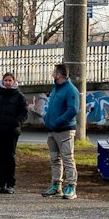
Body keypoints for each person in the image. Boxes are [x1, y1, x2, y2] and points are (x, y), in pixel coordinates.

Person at [0, 71, 28, 194]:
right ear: (2, 81)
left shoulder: (19, 96)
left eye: (10, 80)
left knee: (9, 157)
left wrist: (16, 122)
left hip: (11, 131)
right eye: (6, 80)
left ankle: (10, 183)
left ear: (14, 81)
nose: (8, 82)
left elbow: (24, 113)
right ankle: (1, 183)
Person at [42, 63, 81, 200]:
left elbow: (73, 110)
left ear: (58, 75)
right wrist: (47, 119)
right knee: (55, 159)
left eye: (54, 72)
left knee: (67, 158)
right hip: (52, 130)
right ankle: (56, 185)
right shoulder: (56, 89)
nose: (52, 73)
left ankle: (71, 186)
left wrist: (58, 121)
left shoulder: (70, 90)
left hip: (64, 131)